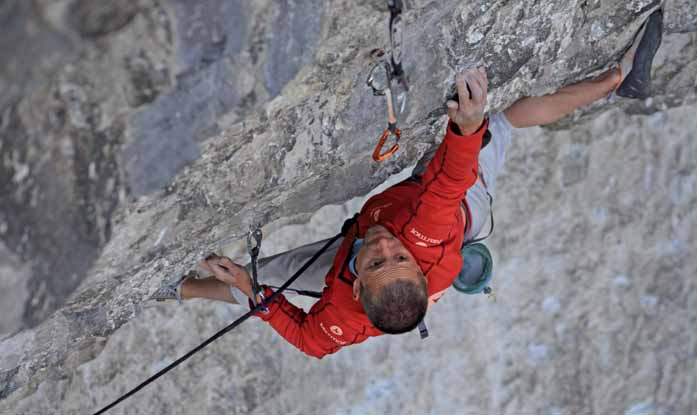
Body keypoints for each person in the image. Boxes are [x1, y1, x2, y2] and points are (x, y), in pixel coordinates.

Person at [152, 10, 663, 358]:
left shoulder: (345, 317)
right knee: (504, 124)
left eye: (376, 261)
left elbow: (308, 339)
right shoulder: (424, 237)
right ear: (415, 266)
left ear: (354, 286)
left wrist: (251, 289)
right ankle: (617, 80)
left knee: (256, 278)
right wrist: (467, 128)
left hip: (367, 253)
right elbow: (446, 186)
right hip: (465, 209)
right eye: (399, 259)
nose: (385, 246)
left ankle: (186, 288)